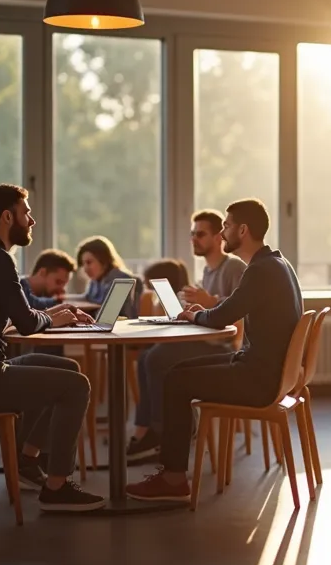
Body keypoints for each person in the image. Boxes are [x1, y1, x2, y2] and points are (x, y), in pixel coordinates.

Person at [0, 184, 105, 512]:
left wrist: (52, 315)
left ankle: (27, 461)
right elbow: (27, 324)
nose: (31, 220)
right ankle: (56, 487)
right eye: (26, 212)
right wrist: (51, 319)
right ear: (6, 216)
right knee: (76, 386)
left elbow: (15, 318)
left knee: (66, 369)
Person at [124, 199, 303, 501]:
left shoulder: (260, 270)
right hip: (264, 369)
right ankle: (172, 467)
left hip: (258, 378)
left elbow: (222, 314)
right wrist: (202, 311)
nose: (223, 232)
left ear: (243, 230)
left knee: (175, 381)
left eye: (227, 226)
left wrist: (194, 314)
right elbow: (227, 309)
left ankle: (173, 478)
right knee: (176, 371)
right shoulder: (277, 263)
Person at [126, 210, 248, 462]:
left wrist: (210, 301)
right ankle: (150, 428)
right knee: (148, 356)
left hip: (226, 348)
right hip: (207, 341)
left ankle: (161, 432)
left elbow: (243, 310)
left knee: (157, 357)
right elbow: (210, 311)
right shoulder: (208, 272)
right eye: (192, 234)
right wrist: (190, 311)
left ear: (218, 237)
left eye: (200, 234)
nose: (194, 238)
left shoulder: (234, 267)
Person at [77, 235, 139, 319]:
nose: (85, 269)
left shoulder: (121, 279)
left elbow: (109, 314)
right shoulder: (95, 280)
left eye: (89, 262)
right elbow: (87, 298)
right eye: (83, 264)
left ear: (104, 260)